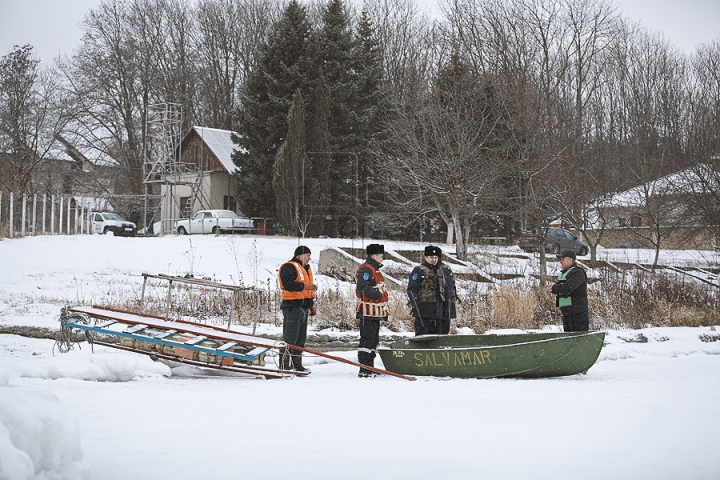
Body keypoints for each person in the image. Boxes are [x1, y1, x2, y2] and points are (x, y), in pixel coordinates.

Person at [277, 245, 318, 373]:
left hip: (303, 307)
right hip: (292, 306)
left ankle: (297, 365)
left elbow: (307, 292)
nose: (309, 258)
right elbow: (287, 284)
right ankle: (284, 365)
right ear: (299, 255)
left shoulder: (305, 268)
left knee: (300, 338)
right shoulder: (289, 266)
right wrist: (306, 286)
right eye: (307, 255)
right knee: (290, 337)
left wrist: (311, 305)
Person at [355, 243, 389, 378]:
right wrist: (378, 295)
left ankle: (370, 366)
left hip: (375, 312)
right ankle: (364, 368)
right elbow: (362, 288)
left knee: (373, 340)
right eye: (381, 256)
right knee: (367, 340)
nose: (382, 258)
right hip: (367, 312)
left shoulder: (374, 269)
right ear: (374, 256)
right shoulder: (366, 270)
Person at [407, 245, 457, 336]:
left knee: (442, 338)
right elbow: (411, 289)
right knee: (423, 337)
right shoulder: (419, 270)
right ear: (425, 257)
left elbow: (451, 289)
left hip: (443, 310)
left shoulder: (445, 270)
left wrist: (451, 308)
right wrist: (415, 305)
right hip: (425, 310)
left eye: (435, 257)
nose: (433, 260)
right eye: (431, 257)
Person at [547, 250, 589, 332]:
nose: (560, 262)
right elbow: (560, 287)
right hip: (567, 313)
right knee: (569, 341)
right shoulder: (566, 273)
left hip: (578, 314)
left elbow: (568, 287)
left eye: (562, 259)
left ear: (570, 260)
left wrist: (555, 287)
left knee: (578, 341)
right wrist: (552, 288)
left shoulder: (578, 273)